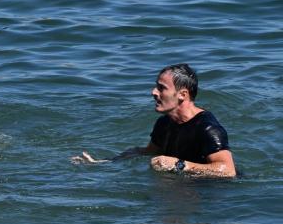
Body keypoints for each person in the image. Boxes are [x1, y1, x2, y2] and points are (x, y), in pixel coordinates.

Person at [75, 63, 236, 178]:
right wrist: (101, 163)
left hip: (211, 196)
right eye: (156, 86)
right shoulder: (164, 123)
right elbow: (148, 152)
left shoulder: (208, 128)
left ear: (183, 94)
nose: (153, 92)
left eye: (161, 88)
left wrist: (178, 165)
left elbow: (228, 171)